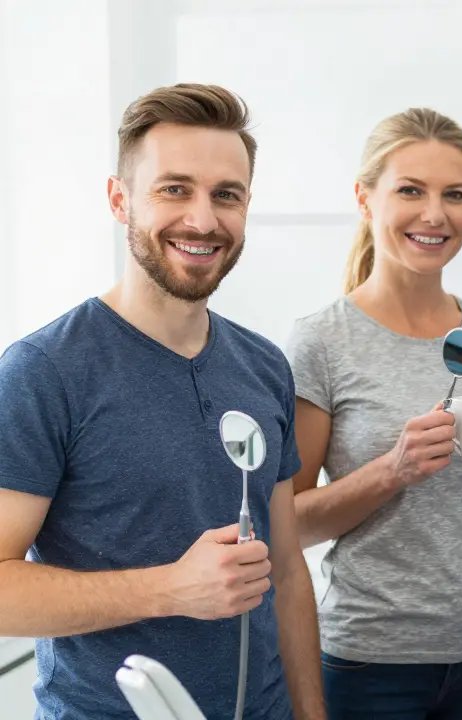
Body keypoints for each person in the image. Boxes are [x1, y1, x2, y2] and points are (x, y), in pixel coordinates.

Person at [0, 84, 324, 719]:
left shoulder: (263, 366)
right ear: (119, 199)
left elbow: (286, 572)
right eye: (174, 189)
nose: (202, 220)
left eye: (226, 195)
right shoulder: (44, 372)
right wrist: (171, 589)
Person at [285, 107, 462, 719]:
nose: (435, 214)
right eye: (411, 190)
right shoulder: (322, 342)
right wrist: (393, 470)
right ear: (364, 198)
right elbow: (290, 524)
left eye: (455, 195)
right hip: (369, 667)